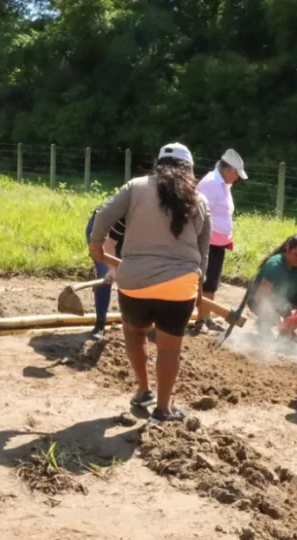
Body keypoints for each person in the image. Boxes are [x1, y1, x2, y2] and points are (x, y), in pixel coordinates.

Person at [89, 142, 211, 423]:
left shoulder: (135, 186)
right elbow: (203, 253)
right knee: (169, 348)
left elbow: (104, 214)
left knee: (134, 333)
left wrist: (96, 246)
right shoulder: (200, 200)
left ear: (158, 164)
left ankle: (144, 391)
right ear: (189, 170)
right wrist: (197, 286)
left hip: (134, 281)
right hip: (181, 284)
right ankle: (163, 409)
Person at [195, 148, 247, 334]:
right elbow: (201, 213)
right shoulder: (210, 184)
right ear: (228, 170)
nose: (237, 178)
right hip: (206, 242)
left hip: (218, 243)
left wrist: (227, 237)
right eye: (236, 174)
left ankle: (206, 317)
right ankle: (201, 319)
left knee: (212, 282)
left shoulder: (224, 185)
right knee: (204, 280)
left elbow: (222, 214)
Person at [247, 235, 297, 337]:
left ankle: (288, 328)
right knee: (271, 318)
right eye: (296, 254)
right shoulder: (274, 265)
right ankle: (264, 322)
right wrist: (279, 322)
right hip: (259, 301)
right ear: (288, 249)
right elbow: (260, 297)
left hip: (285, 298)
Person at [85, 209, 125, 340]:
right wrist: (112, 269)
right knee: (105, 273)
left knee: (130, 276)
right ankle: (99, 325)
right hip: (101, 228)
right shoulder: (133, 201)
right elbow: (108, 244)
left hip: (125, 232)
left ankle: (131, 324)